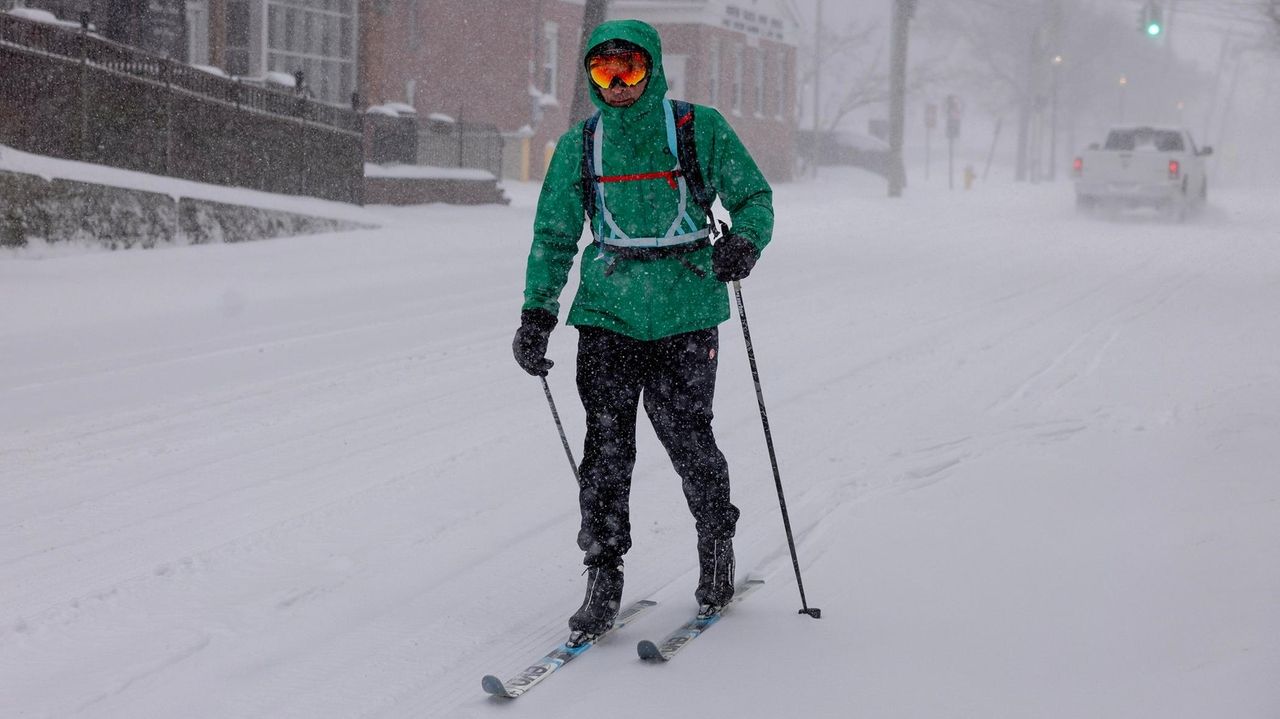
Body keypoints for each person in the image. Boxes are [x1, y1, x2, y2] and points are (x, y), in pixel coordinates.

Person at [512, 19, 773, 645]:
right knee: (605, 448)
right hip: (607, 311)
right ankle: (603, 572)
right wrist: (536, 315)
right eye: (604, 72)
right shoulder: (581, 144)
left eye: (629, 68)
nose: (619, 83)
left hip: (686, 307)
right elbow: (553, 235)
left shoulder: (696, 128)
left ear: (652, 66)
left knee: (688, 437)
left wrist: (744, 242)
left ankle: (716, 543)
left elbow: (754, 198)